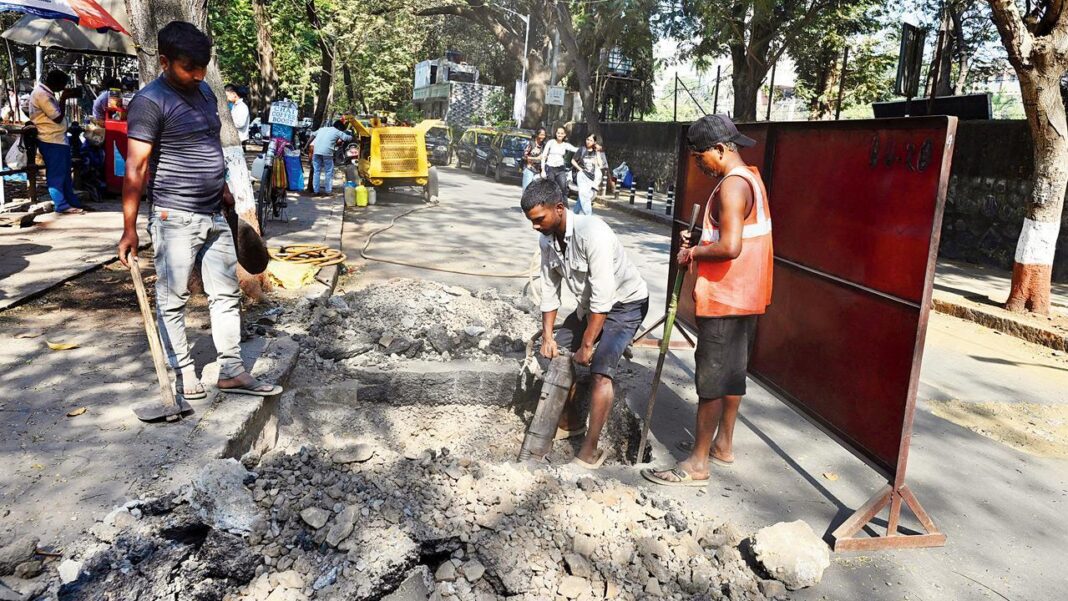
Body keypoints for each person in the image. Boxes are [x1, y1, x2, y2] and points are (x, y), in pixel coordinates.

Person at [117, 20, 282, 402]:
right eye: (189, 67)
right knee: (173, 298)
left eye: (203, 66)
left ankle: (231, 371)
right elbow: (136, 168)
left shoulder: (206, 92)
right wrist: (128, 229)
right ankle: (183, 370)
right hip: (174, 216)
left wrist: (224, 189)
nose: (198, 74)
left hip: (214, 213)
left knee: (225, 295)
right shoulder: (149, 103)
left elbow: (210, 144)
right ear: (163, 61)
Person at [641, 114, 773, 487]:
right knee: (733, 374)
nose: (700, 165)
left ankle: (697, 463)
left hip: (727, 298)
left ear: (720, 148)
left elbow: (730, 247)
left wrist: (695, 253)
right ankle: (723, 445)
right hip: (747, 296)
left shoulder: (732, 187)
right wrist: (701, 240)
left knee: (712, 381)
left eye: (701, 157)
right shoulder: (751, 179)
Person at [522, 178, 650, 469]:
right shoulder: (547, 240)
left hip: (625, 304)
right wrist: (547, 337)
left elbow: (604, 298)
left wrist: (588, 346)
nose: (535, 226)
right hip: (589, 306)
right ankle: (571, 421)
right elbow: (549, 290)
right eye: (531, 221)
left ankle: (589, 451)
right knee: (559, 353)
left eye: (539, 219)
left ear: (559, 208)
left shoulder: (594, 233)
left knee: (601, 370)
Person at [29, 70, 84, 214]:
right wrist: (64, 98)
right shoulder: (42, 95)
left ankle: (71, 202)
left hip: (58, 139)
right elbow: (57, 118)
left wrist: (62, 98)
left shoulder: (46, 93)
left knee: (65, 174)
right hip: (50, 139)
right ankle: (61, 204)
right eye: (63, 85)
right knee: (57, 175)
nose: (63, 88)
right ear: (56, 83)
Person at [308, 120, 351, 196]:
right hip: (327, 153)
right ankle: (328, 191)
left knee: (316, 172)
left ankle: (316, 191)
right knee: (328, 172)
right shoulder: (337, 131)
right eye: (341, 129)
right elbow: (347, 138)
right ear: (339, 127)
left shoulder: (322, 129)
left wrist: (306, 145)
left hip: (316, 151)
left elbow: (313, 135)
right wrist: (351, 135)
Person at [570, 133, 603, 215]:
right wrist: (580, 169)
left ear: (594, 142)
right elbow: (573, 160)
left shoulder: (595, 152)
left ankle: (575, 214)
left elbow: (600, 164)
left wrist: (598, 152)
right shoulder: (582, 149)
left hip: (591, 177)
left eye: (591, 140)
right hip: (581, 175)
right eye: (587, 139)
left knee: (583, 196)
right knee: (584, 195)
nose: (588, 141)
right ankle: (589, 215)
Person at [541, 126, 578, 197]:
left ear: (564, 135)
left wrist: (588, 148)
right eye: (558, 133)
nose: (560, 135)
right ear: (555, 134)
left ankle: (564, 206)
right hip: (550, 168)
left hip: (560, 169)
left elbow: (575, 149)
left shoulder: (565, 145)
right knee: (550, 188)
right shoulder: (551, 142)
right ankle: (548, 205)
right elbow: (544, 156)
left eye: (562, 133)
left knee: (563, 188)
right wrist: (543, 170)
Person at [522, 127, 547, 191]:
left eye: (544, 135)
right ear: (537, 134)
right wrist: (536, 158)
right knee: (526, 189)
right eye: (541, 134)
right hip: (529, 169)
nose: (543, 137)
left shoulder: (544, 145)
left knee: (536, 191)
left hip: (539, 171)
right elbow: (524, 156)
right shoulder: (531, 143)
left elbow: (545, 157)